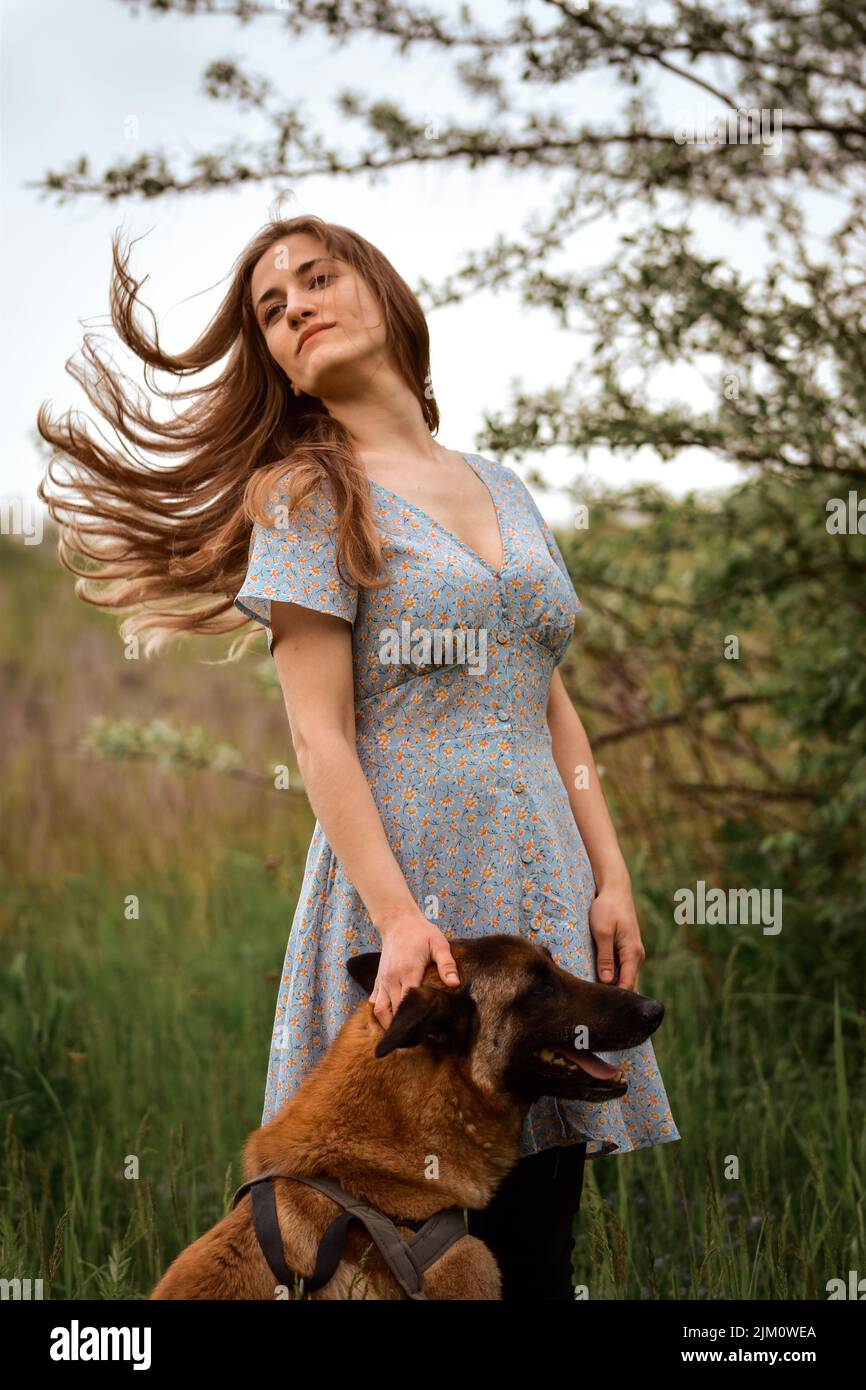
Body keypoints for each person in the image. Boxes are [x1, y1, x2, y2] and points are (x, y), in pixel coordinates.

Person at [37, 213, 679, 1301]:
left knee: (535, 1247)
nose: (295, 310)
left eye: (315, 280)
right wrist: (395, 917)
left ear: (380, 291)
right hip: (409, 899)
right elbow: (316, 732)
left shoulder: (504, 486)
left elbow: (548, 699)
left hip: (545, 892)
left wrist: (609, 877)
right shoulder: (304, 495)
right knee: (394, 1251)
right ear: (279, 366)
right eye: (271, 312)